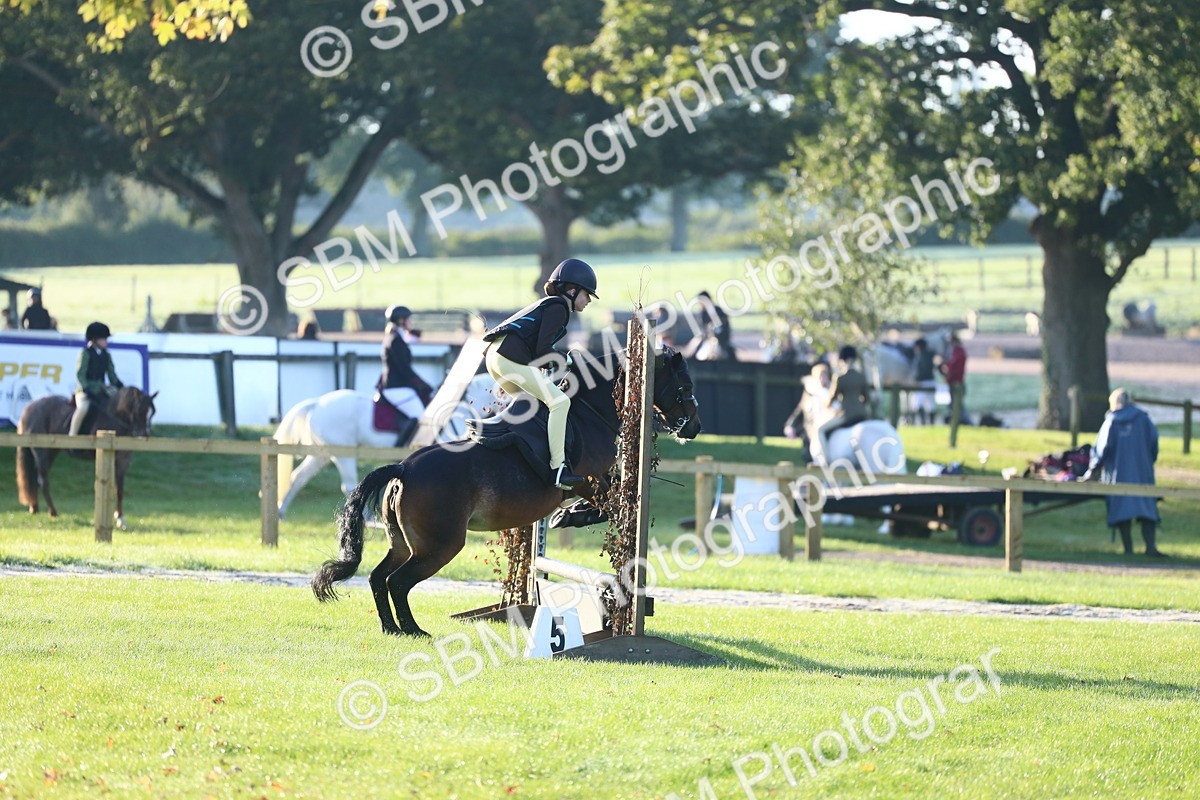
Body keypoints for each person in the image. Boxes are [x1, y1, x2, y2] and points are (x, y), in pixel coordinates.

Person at [482, 257, 597, 489]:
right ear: (572, 291)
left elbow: (538, 352)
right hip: (507, 359)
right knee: (560, 402)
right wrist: (567, 359)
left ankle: (521, 450)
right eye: (587, 295)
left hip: (496, 358)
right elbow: (543, 350)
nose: (588, 301)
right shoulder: (559, 307)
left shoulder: (549, 304)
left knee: (533, 405)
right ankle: (558, 469)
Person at [1085, 389, 1164, 557]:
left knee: (1122, 508)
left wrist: (1093, 469)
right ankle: (1151, 547)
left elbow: (1102, 449)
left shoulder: (1111, 422)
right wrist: (1149, 460)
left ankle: (1128, 549)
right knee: (1147, 507)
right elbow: (1154, 443)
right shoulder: (1144, 419)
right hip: (1143, 472)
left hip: (1118, 473)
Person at [379, 305, 432, 430]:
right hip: (396, 388)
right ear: (401, 320)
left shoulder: (396, 337)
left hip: (398, 386)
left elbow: (412, 338)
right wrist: (423, 385)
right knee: (421, 418)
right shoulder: (396, 340)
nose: (411, 322)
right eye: (409, 319)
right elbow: (404, 370)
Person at [816, 346, 871, 462]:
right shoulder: (861, 377)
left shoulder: (840, 378)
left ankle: (827, 461)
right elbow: (867, 399)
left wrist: (826, 406)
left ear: (842, 359)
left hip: (847, 415)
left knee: (820, 431)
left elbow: (832, 398)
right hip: (862, 414)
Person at [69, 321, 124, 436]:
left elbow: (111, 375)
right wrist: (86, 389)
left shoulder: (106, 355)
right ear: (94, 340)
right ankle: (72, 435)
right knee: (83, 408)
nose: (106, 341)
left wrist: (120, 385)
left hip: (101, 389)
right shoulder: (85, 353)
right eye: (103, 338)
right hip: (85, 391)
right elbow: (80, 374)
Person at [939, 333, 967, 446]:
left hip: (957, 384)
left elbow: (955, 368)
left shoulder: (959, 353)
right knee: (953, 407)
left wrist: (947, 371)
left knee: (957, 409)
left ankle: (960, 425)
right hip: (953, 383)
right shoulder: (955, 352)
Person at [911, 338, 937, 425]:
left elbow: (923, 371)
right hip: (931, 381)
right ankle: (930, 423)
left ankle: (924, 422)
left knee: (918, 404)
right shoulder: (929, 355)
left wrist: (916, 379)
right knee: (930, 405)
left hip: (924, 383)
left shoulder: (922, 356)